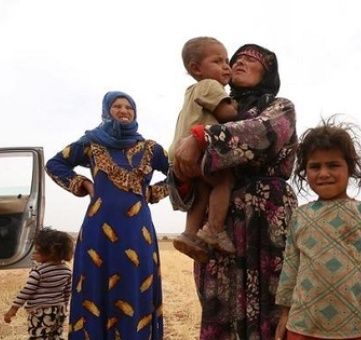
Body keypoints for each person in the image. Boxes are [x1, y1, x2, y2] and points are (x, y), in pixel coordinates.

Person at [173, 44, 298, 339]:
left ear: (267, 71)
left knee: (272, 306)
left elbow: (262, 134)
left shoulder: (279, 107)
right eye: (235, 59)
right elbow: (183, 180)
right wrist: (182, 172)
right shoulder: (211, 109)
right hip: (218, 228)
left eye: (250, 59)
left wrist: (202, 137)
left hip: (268, 221)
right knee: (220, 308)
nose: (239, 63)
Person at [45, 91, 169, 339]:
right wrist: (83, 184)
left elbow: (180, 175)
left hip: (138, 232)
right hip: (97, 228)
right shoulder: (91, 144)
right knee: (94, 285)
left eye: (129, 107)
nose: (123, 111)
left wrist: (154, 192)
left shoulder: (151, 148)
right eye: (117, 106)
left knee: (134, 285)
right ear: (106, 111)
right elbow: (54, 164)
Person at [275, 117, 361, 340]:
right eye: (315, 166)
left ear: (350, 168)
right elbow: (290, 269)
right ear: (305, 172)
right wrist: (284, 314)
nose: (323, 173)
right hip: (302, 326)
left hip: (352, 327)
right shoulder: (300, 215)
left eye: (333, 165)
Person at [170, 37, 238, 261]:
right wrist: (234, 105)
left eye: (227, 61)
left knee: (202, 191)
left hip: (179, 156)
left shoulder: (190, 91)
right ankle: (214, 229)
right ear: (196, 68)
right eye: (218, 61)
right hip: (198, 151)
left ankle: (190, 234)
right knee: (223, 181)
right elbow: (227, 114)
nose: (226, 66)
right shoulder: (210, 85)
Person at [4, 228, 73, 339]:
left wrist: (13, 309)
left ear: (51, 252)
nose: (34, 253)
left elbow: (26, 291)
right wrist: (64, 306)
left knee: (38, 336)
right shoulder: (66, 270)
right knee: (55, 335)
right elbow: (67, 292)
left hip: (41, 312)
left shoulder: (39, 271)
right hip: (59, 311)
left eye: (37, 250)